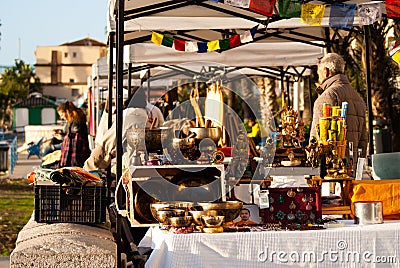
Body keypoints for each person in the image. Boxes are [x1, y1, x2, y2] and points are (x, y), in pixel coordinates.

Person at [83, 88, 164, 171]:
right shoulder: (151, 111)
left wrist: (89, 166)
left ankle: (90, 168)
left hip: (130, 161)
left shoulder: (127, 114)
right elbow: (161, 129)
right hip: (146, 158)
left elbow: (107, 144)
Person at [310, 53, 367, 170]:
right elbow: (363, 140)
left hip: (332, 168)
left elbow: (317, 139)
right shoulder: (357, 96)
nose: (318, 77)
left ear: (326, 71)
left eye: (318, 73)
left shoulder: (328, 96)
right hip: (352, 166)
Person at [57, 101, 91, 167]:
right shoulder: (75, 118)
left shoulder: (75, 121)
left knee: (48, 149)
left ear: (67, 111)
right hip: (80, 151)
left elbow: (72, 141)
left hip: (77, 153)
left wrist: (61, 137)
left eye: (61, 115)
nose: (61, 117)